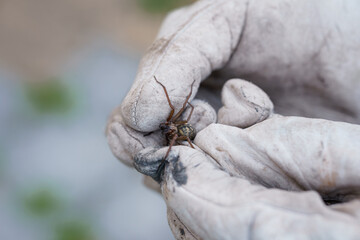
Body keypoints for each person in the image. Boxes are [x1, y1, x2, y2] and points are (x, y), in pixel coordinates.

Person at [107, 0, 360, 239]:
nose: (170, 126)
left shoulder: (176, 130)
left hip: (190, 134)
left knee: (187, 142)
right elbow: (178, 115)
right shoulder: (173, 125)